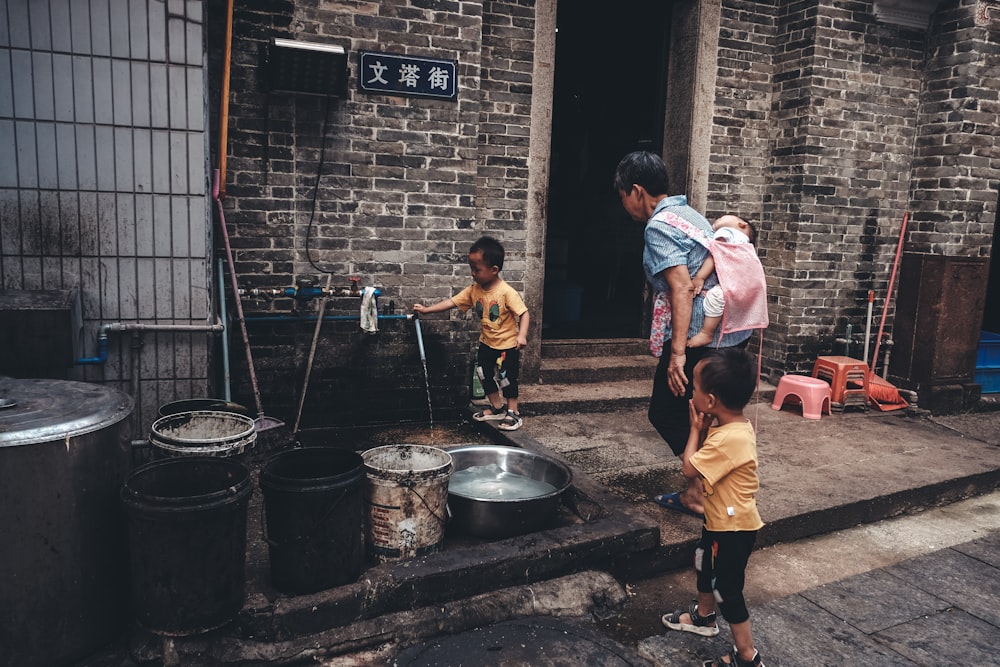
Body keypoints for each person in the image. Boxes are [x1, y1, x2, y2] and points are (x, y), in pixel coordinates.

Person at [614, 151, 752, 518]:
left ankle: (697, 490)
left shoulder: (659, 225)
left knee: (666, 411)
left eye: (623, 195)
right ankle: (716, 486)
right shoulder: (690, 214)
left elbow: (679, 289)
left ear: (637, 191)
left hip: (698, 335)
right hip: (731, 330)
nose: (624, 204)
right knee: (708, 411)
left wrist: (677, 354)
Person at [661, 348, 766, 667]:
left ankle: (747, 656)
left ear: (710, 400)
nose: (691, 393)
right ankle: (704, 617)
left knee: (727, 589)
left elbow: (690, 469)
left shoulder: (728, 438)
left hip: (733, 531)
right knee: (704, 563)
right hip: (720, 523)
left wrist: (694, 429)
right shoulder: (732, 425)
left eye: (695, 388)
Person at [413, 236, 529, 431]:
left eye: (477, 269)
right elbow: (452, 302)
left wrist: (522, 335)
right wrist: (426, 310)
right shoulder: (473, 290)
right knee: (482, 373)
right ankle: (496, 407)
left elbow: (524, 313)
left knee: (506, 377)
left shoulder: (506, 292)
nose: (473, 273)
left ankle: (513, 412)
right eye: (471, 268)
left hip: (507, 346)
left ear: (494, 270)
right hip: (487, 343)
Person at [688, 215, 758, 348]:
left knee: (716, 296)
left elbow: (715, 255)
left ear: (741, 225)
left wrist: (700, 277)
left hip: (736, 281)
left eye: (721, 218)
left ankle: (706, 333)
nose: (717, 220)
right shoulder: (746, 244)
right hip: (749, 284)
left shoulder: (729, 233)